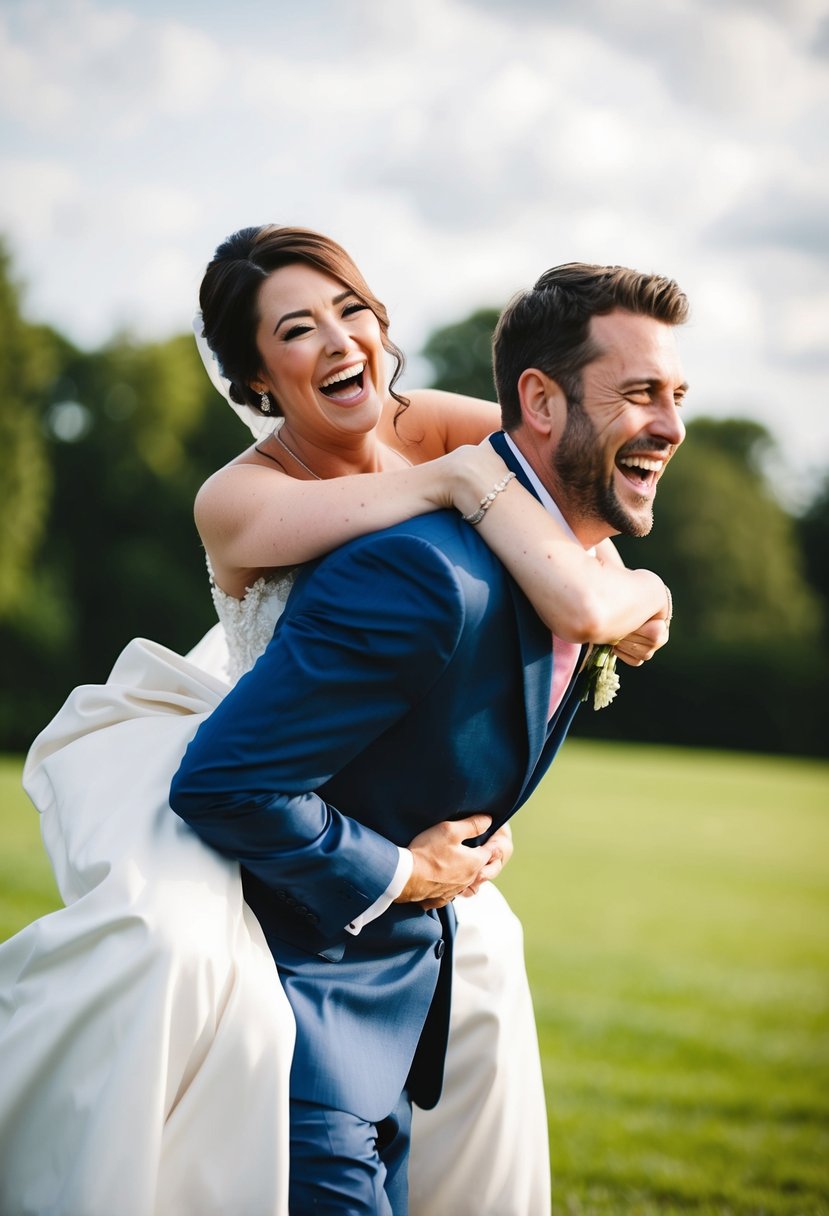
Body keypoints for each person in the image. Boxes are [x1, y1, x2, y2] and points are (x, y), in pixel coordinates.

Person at [0, 226, 672, 1216]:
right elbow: (469, 519)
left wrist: (638, 588)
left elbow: (570, 506)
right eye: (297, 330)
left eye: (350, 310)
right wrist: (465, 485)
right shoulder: (237, 496)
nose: (338, 340)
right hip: (249, 743)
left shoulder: (439, 422)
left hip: (381, 761)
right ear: (257, 378)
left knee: (485, 953)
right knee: (173, 951)